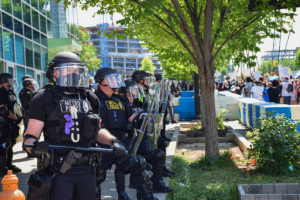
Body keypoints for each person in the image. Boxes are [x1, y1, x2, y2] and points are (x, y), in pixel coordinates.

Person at [23, 52, 127, 200]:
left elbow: (97, 129)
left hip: (88, 169)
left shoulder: (90, 97)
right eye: (69, 69)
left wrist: (113, 141)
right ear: (56, 72)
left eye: (77, 70)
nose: (75, 73)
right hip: (58, 171)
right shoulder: (43, 97)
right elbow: (30, 137)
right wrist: (35, 147)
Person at [94, 68, 158, 200]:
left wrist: (143, 113)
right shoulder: (93, 100)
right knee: (97, 177)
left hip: (121, 144)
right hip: (102, 146)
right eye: (110, 79)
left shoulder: (119, 99)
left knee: (138, 163)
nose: (115, 82)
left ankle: (144, 197)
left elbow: (131, 118)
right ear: (101, 82)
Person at [131, 70, 173, 192]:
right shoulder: (136, 93)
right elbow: (137, 109)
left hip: (149, 131)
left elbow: (150, 108)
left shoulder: (146, 93)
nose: (149, 82)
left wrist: (159, 106)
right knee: (155, 154)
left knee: (160, 147)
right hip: (138, 134)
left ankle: (157, 180)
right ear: (140, 81)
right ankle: (153, 184)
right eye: (146, 80)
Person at [0, 73, 22, 175]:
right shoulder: (1, 93)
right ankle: (1, 168)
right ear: (5, 81)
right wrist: (15, 118)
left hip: (12, 123)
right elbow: (4, 110)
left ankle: (8, 165)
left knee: (11, 144)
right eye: (10, 79)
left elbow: (14, 106)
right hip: (3, 123)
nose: (12, 81)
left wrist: (18, 116)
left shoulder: (11, 92)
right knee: (4, 145)